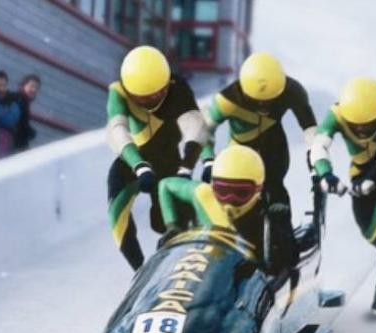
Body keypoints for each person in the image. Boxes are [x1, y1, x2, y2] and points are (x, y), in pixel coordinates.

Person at [310, 77, 376, 314]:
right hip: (361, 174)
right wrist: (326, 175)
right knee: (368, 230)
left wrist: (372, 180)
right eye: (355, 125)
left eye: (369, 124)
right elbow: (319, 145)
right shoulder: (336, 113)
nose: (362, 130)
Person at [199, 52, 317, 249]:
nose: (263, 106)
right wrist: (208, 161)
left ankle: (284, 246)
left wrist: (316, 160)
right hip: (239, 154)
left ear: (281, 88)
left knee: (275, 192)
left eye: (270, 100)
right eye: (257, 100)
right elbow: (204, 130)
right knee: (232, 198)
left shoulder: (293, 91)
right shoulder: (227, 99)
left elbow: (310, 129)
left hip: (273, 149)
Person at [106, 45, 208, 271]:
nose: (149, 103)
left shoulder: (178, 87)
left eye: (156, 96)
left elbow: (196, 126)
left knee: (169, 220)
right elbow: (117, 130)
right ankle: (139, 270)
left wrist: (188, 166)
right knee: (116, 211)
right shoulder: (118, 91)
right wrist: (138, 165)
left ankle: (187, 259)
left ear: (166, 85)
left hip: (167, 159)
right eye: (141, 99)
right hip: (134, 159)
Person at [158, 145, 296, 274]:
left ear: (258, 191)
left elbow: (286, 263)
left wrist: (279, 228)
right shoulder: (204, 193)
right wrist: (173, 226)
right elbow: (165, 185)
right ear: (213, 186)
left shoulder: (264, 218)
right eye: (222, 191)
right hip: (196, 264)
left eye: (240, 193)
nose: (229, 201)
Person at [0, 70, 20, 157]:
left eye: (4, 85)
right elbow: (6, 120)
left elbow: (11, 120)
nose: (2, 89)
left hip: (5, 143)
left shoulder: (13, 101)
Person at [11, 74, 40, 151]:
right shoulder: (18, 99)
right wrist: (30, 132)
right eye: (31, 86)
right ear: (23, 85)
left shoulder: (24, 101)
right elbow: (18, 124)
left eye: (36, 88)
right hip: (13, 145)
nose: (34, 90)